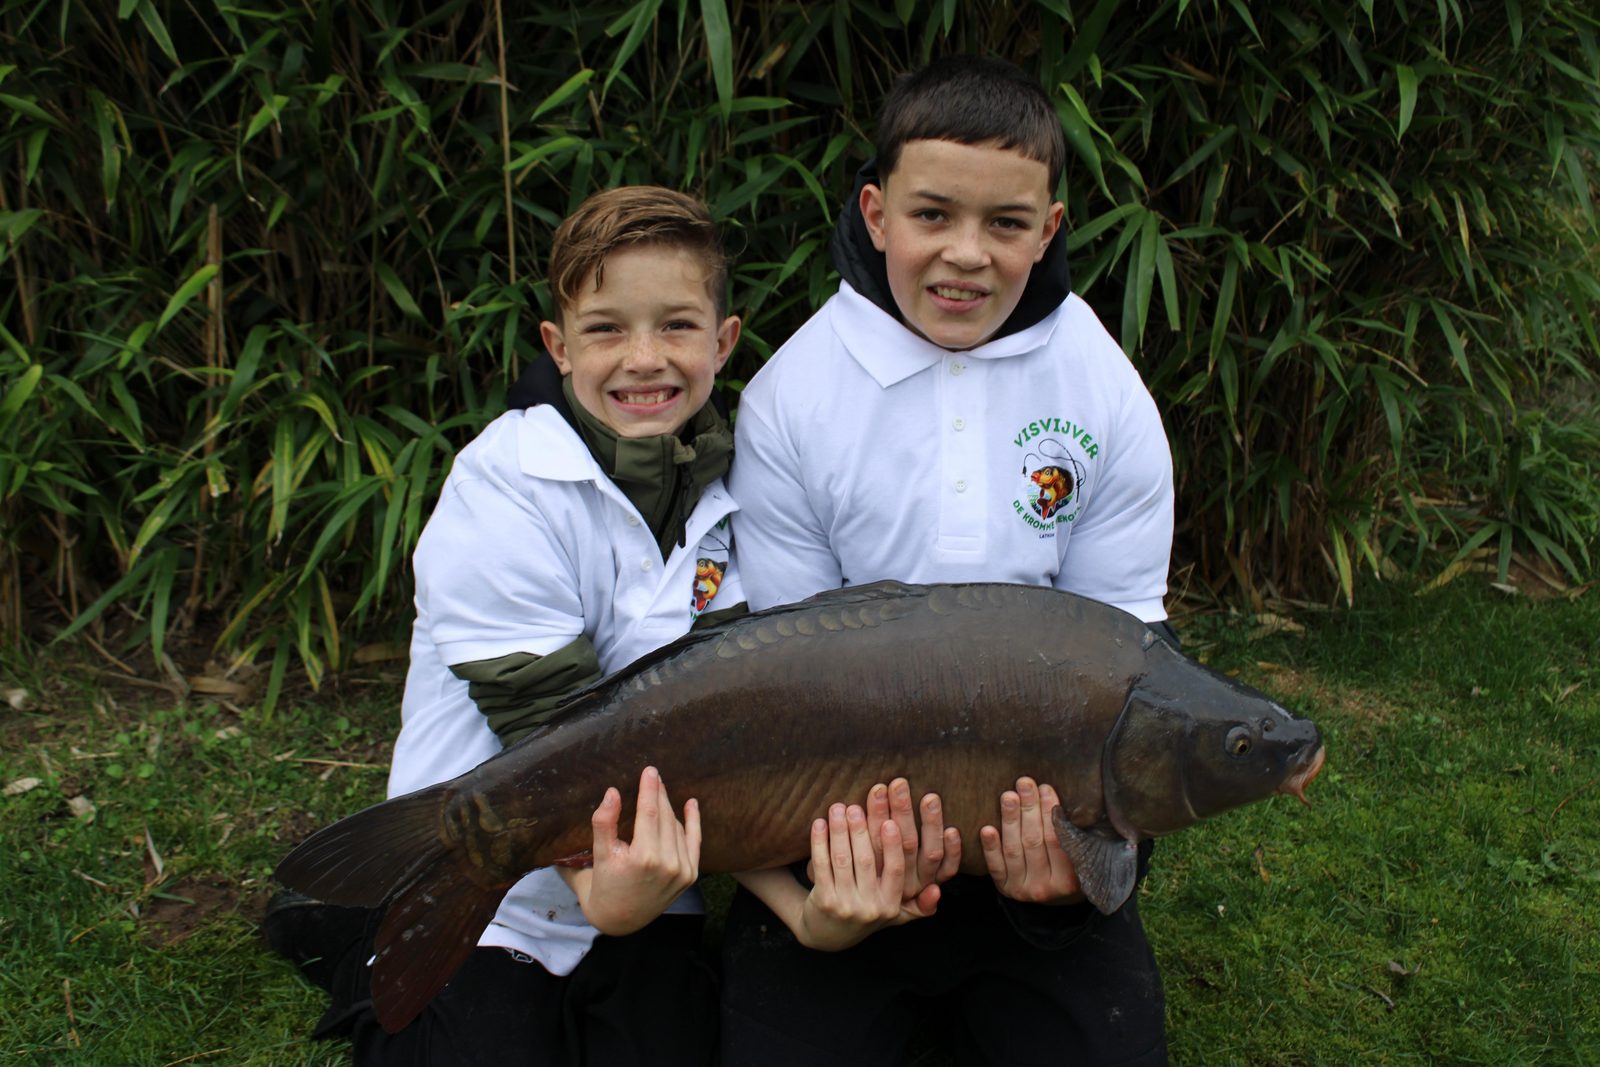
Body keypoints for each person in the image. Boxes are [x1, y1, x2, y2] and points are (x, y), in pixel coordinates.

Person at [723, 56, 1178, 1066]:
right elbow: (786, 670)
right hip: (848, 841)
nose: (965, 256)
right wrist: (831, 869)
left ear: (1049, 229)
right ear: (876, 213)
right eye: (933, 215)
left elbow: (1131, 658)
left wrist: (1083, 859)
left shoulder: (1103, 391)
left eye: (1006, 225)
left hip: (1040, 827)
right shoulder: (792, 396)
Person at [266, 185, 742, 1066]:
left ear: (723, 341)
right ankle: (351, 929)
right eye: (606, 329)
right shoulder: (501, 483)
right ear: (559, 348)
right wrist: (598, 889)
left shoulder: (737, 497)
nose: (644, 357)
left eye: (677, 325)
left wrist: (648, 899)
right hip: (489, 868)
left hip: (655, 878)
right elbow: (550, 733)